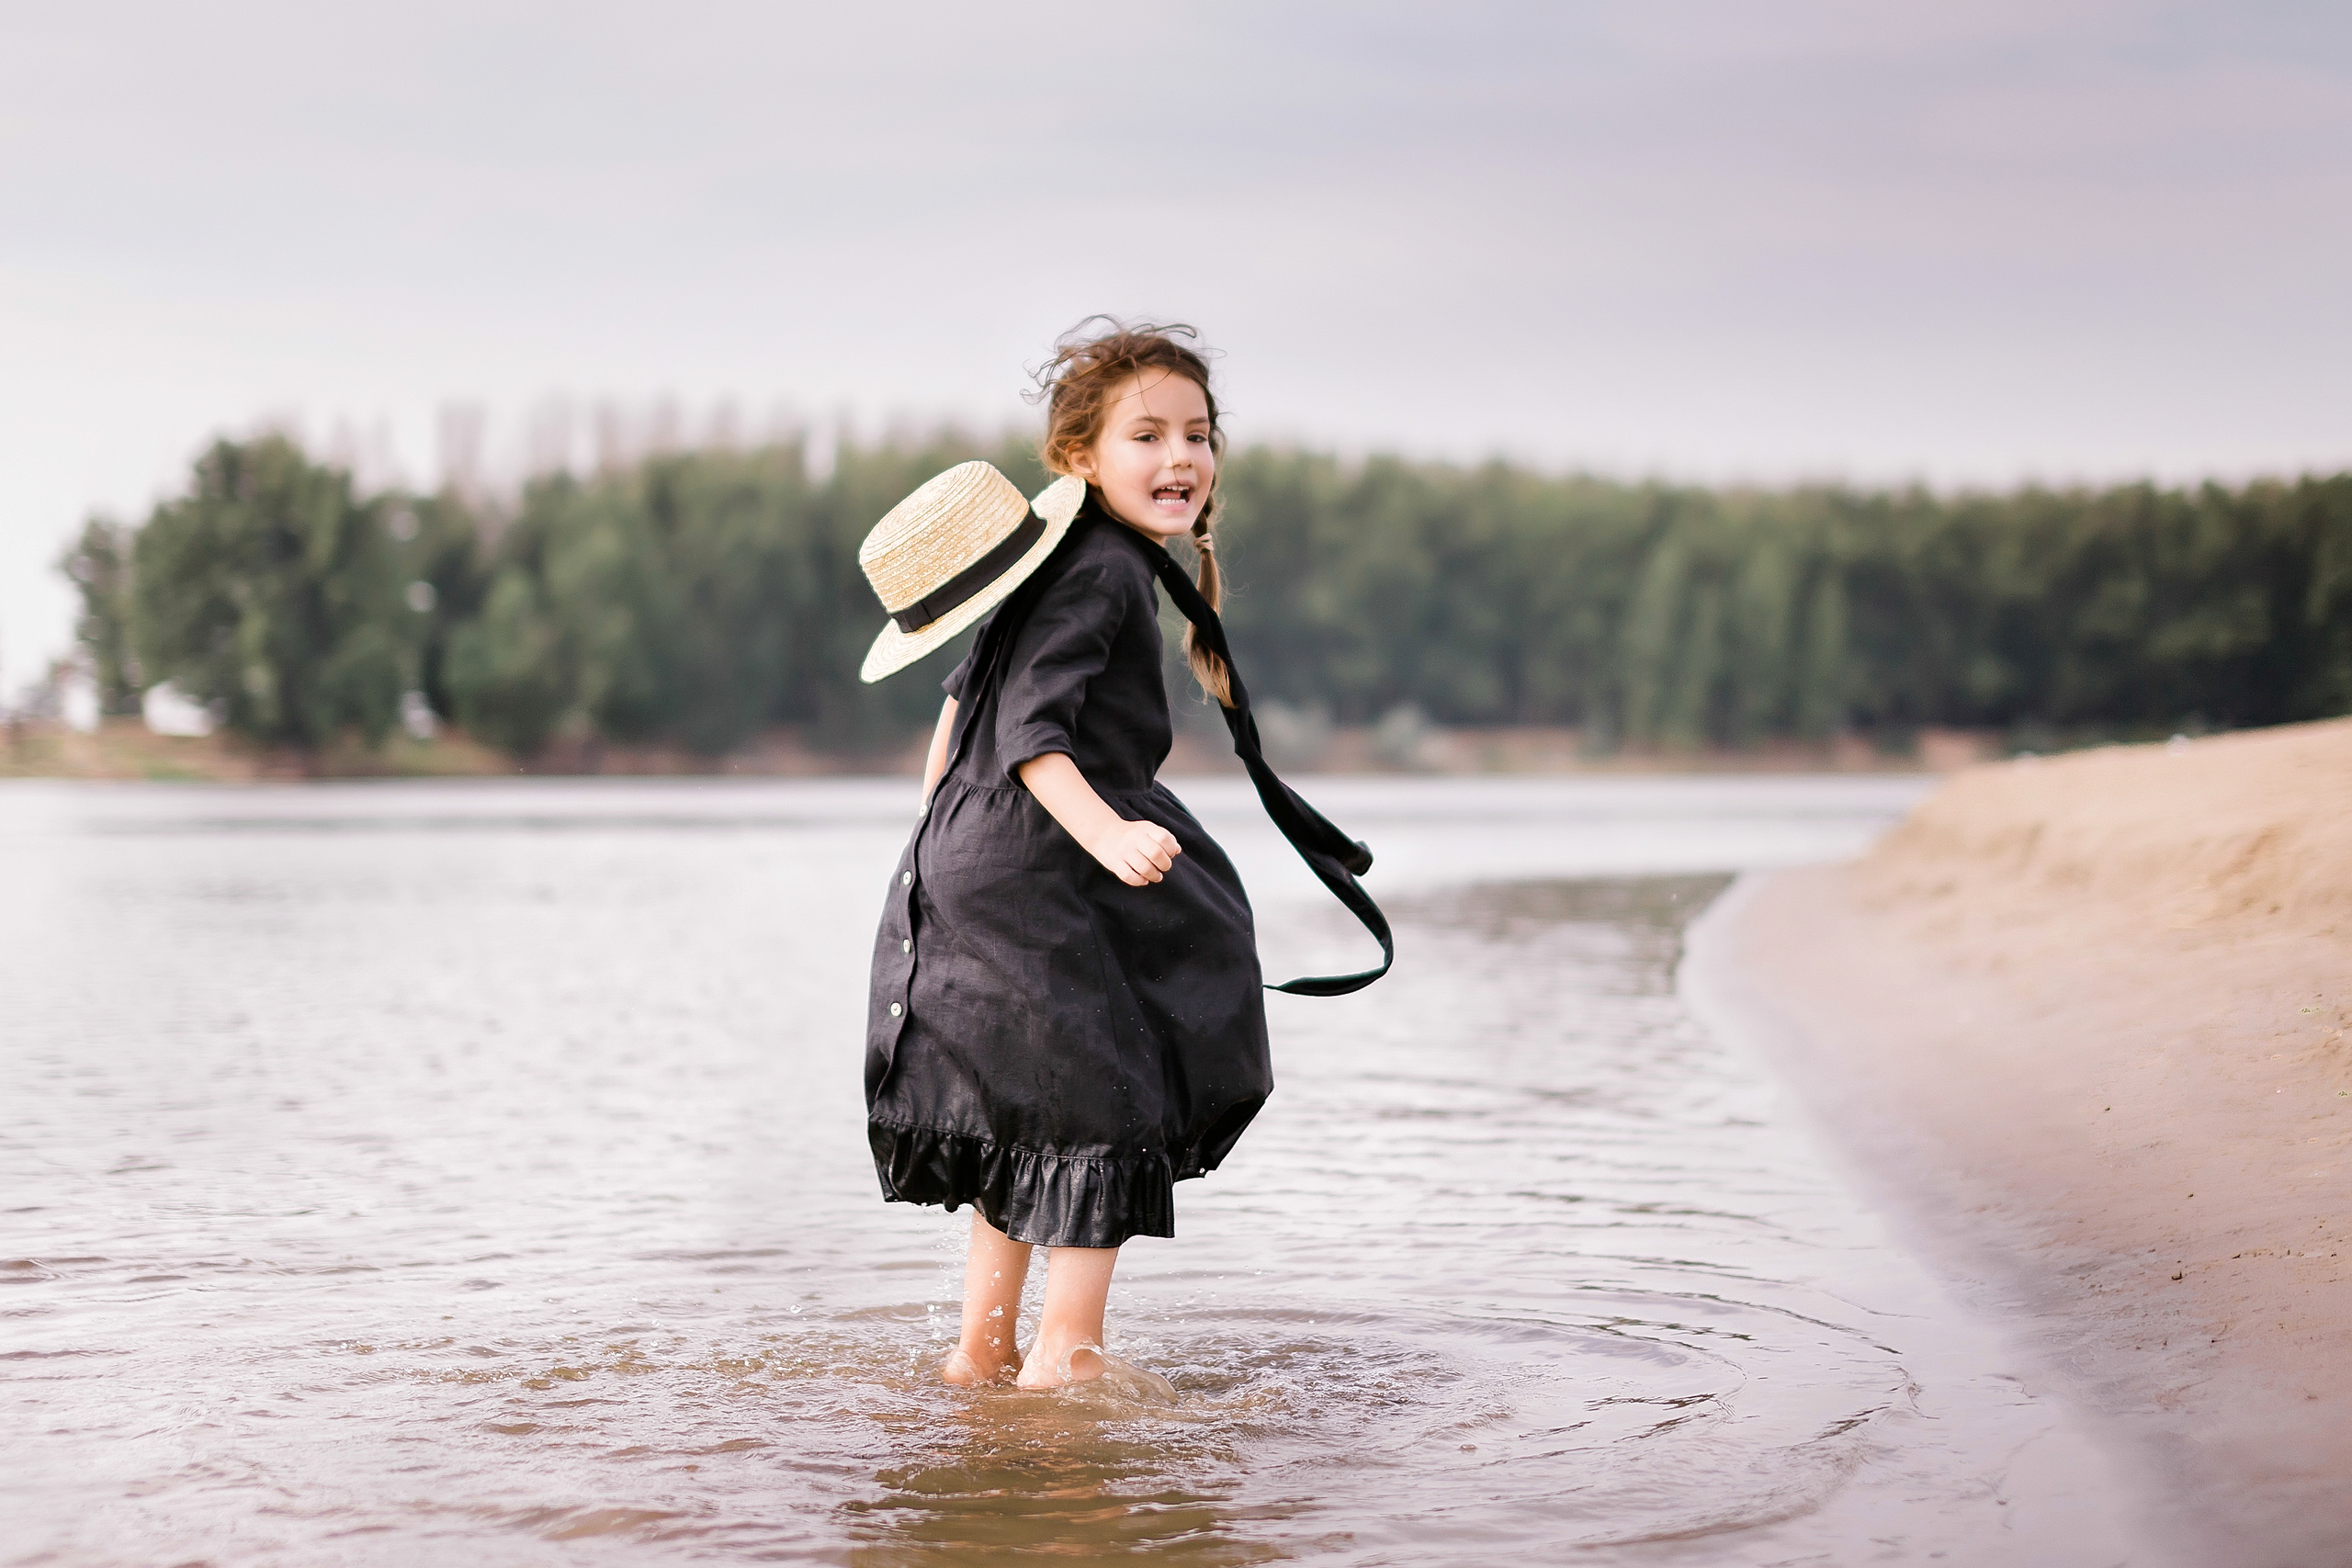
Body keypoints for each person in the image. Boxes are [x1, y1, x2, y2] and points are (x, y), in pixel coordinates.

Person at [856, 321, 1272, 1389]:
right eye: (1147, 436)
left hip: (972, 847)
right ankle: (1068, 1356)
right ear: (1081, 458)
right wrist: (1111, 832)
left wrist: (936, 856)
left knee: (1020, 1102)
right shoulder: (1100, 571)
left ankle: (981, 1349)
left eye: (1197, 432)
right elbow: (1034, 734)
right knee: (1103, 1097)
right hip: (1046, 852)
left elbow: (961, 722)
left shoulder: (1047, 562)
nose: (1180, 457)